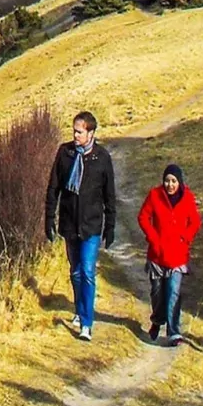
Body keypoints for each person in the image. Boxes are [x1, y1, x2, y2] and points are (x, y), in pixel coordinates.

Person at [45, 111, 117, 340]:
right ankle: (79, 308)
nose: (75, 135)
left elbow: (109, 195)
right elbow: (53, 188)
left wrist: (110, 226)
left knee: (87, 272)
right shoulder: (65, 154)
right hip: (69, 223)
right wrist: (49, 218)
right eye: (74, 131)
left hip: (92, 225)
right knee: (75, 273)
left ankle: (86, 323)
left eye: (80, 131)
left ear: (91, 133)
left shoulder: (102, 158)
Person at [138, 164, 201, 345]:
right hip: (157, 255)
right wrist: (153, 238)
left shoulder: (187, 197)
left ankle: (174, 331)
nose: (170, 185)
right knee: (157, 293)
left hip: (177, 256)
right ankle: (157, 321)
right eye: (167, 181)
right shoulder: (155, 195)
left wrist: (185, 238)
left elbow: (195, 221)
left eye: (173, 181)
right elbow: (143, 217)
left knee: (173, 292)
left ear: (179, 182)